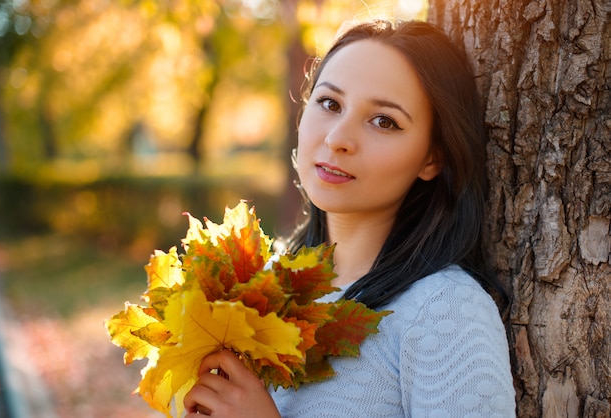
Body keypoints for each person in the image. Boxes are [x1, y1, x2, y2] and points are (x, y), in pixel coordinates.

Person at [183, 19, 515, 417]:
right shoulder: (260, 285)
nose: (338, 137)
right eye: (330, 103)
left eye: (384, 121)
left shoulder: (444, 312)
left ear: (433, 157)